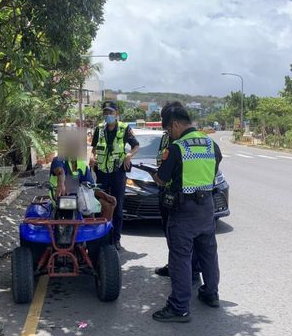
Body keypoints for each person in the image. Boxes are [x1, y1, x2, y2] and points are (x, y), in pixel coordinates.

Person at [150, 102, 222, 323]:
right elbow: (214, 168)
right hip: (207, 206)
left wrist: (157, 177)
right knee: (208, 252)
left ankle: (179, 307)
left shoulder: (177, 148)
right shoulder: (211, 145)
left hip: (184, 210)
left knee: (180, 258)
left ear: (174, 125)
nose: (169, 134)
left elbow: (162, 178)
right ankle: (211, 293)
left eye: (168, 130)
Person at [154, 106, 203, 287]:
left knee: (188, 238)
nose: (166, 129)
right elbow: (161, 160)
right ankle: (174, 266)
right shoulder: (166, 138)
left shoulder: (188, 140)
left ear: (174, 122)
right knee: (171, 234)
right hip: (166, 192)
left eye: (167, 125)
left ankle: (192, 271)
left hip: (184, 194)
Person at [90, 101, 139, 250]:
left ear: (117, 113)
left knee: (117, 207)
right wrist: (92, 158)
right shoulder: (99, 129)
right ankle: (99, 237)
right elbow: (93, 149)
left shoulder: (124, 129)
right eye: (106, 113)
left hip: (118, 173)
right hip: (102, 173)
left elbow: (136, 146)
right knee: (99, 205)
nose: (108, 115)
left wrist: (129, 155)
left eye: (111, 112)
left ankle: (116, 239)